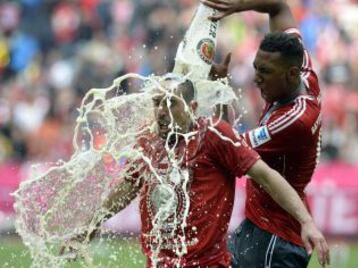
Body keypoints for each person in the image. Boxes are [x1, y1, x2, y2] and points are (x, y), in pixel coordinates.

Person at [62, 73, 328, 268]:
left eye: (171, 103)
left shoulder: (213, 135)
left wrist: (306, 222)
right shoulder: (148, 142)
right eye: (157, 102)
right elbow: (127, 187)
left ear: (192, 108)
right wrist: (91, 224)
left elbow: (267, 176)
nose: (162, 111)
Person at [202, 0, 329, 267]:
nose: (256, 78)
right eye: (257, 68)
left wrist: (215, 91)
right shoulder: (301, 68)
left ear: (290, 74)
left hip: (275, 239)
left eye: (266, 72)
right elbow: (279, 7)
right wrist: (238, 6)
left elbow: (229, 146)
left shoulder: (295, 121)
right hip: (262, 225)